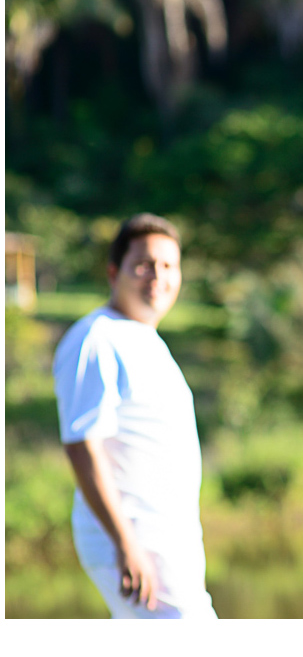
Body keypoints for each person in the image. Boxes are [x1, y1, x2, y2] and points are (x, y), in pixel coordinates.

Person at [53, 213, 217, 619]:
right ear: (114, 272)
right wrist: (126, 543)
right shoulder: (97, 338)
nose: (158, 276)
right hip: (136, 543)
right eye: (144, 264)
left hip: (167, 541)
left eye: (168, 265)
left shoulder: (145, 338)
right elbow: (81, 445)